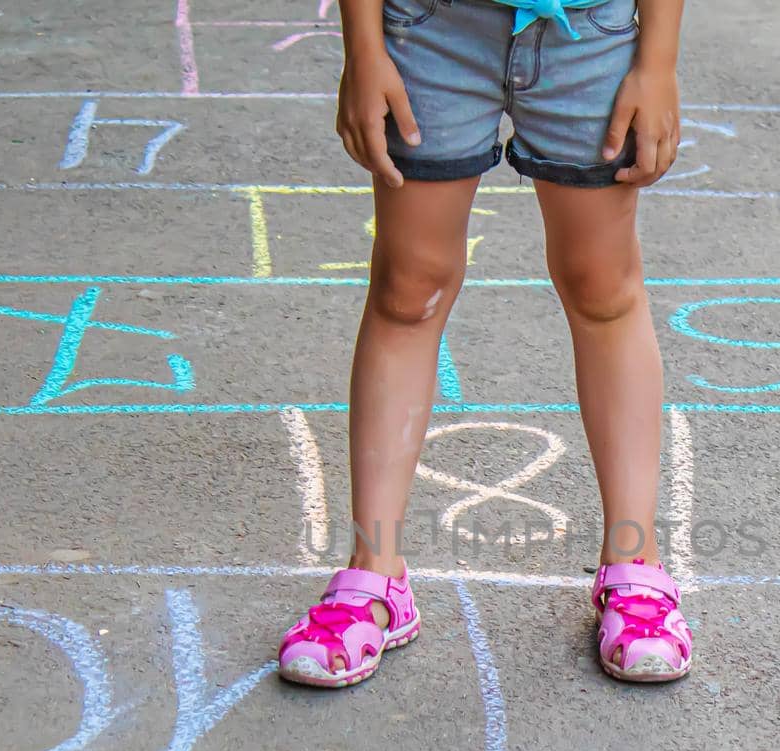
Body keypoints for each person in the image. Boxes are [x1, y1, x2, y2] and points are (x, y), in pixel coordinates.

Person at [278, 0, 692, 687]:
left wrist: (657, 61)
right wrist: (364, 45)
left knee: (602, 287)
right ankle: (375, 574)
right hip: (430, 28)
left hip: (587, 36)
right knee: (408, 288)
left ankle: (635, 567)